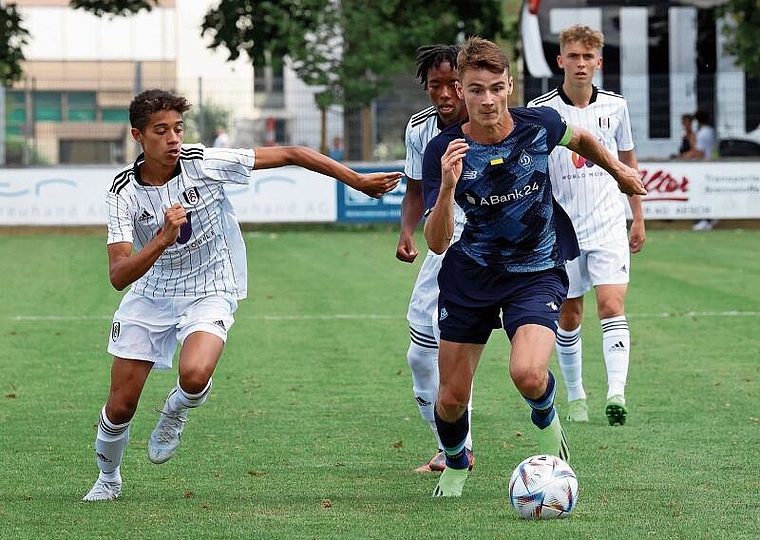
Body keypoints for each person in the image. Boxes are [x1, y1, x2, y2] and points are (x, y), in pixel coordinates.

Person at [82, 89, 401, 502]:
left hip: (212, 286)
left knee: (194, 376)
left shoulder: (203, 164)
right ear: (138, 136)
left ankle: (176, 410)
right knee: (121, 406)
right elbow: (118, 275)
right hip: (150, 293)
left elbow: (292, 153)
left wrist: (355, 180)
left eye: (178, 129)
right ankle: (108, 479)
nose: (174, 138)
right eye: (161, 131)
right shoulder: (123, 192)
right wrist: (162, 239)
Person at [421, 37, 646, 497]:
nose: (487, 100)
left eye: (496, 88)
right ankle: (458, 464)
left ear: (509, 87)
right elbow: (438, 241)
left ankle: (549, 430)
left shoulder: (537, 124)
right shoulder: (443, 150)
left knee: (526, 372)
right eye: (476, 89)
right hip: (471, 276)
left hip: (537, 270)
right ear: (460, 91)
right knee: (450, 400)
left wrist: (618, 173)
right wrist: (446, 187)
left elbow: (581, 137)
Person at [527, 24, 646, 426]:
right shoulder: (541, 111)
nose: (580, 64)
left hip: (609, 224)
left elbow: (628, 164)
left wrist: (638, 217)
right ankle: (576, 394)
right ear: (560, 60)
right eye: (572, 56)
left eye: (587, 57)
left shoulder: (616, 107)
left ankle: (617, 393)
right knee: (570, 315)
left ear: (599, 62)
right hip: (563, 231)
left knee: (612, 306)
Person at [396, 44, 473, 473]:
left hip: (489, 246)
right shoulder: (419, 129)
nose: (444, 94)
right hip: (443, 242)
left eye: (452, 85)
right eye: (435, 85)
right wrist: (407, 231)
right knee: (421, 354)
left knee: (455, 343)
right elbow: (414, 190)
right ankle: (451, 445)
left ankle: (459, 448)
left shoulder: (490, 118)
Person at [680, 110, 719, 230]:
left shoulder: (701, 134)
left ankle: (705, 219)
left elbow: (699, 152)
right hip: (713, 163)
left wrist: (683, 157)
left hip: (703, 166)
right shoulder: (712, 131)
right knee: (709, 192)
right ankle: (710, 218)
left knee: (702, 192)